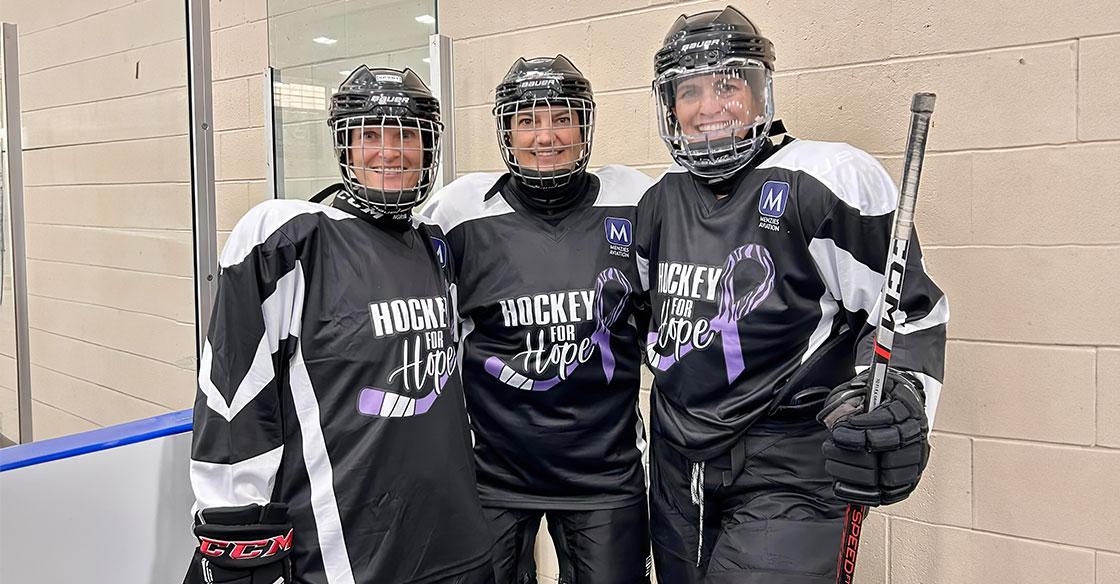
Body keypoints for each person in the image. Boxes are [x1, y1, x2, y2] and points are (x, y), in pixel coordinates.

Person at [635, 7, 949, 583]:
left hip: (789, 462)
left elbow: (907, 312)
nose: (709, 107)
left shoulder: (824, 179)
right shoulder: (660, 200)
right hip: (678, 460)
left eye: (728, 84)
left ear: (761, 90)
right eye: (690, 91)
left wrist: (900, 395)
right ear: (669, 105)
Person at [184, 66, 494, 584]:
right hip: (346, 553)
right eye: (371, 133)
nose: (390, 151)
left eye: (406, 135)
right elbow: (235, 395)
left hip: (455, 540)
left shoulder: (435, 245)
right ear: (345, 145)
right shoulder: (288, 238)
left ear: (428, 147)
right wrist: (238, 533)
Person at [423, 55, 653, 584]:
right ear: (506, 132)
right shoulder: (459, 213)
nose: (545, 136)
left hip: (605, 474)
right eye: (527, 120)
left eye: (561, 118)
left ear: (584, 126)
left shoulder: (634, 201)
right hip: (492, 474)